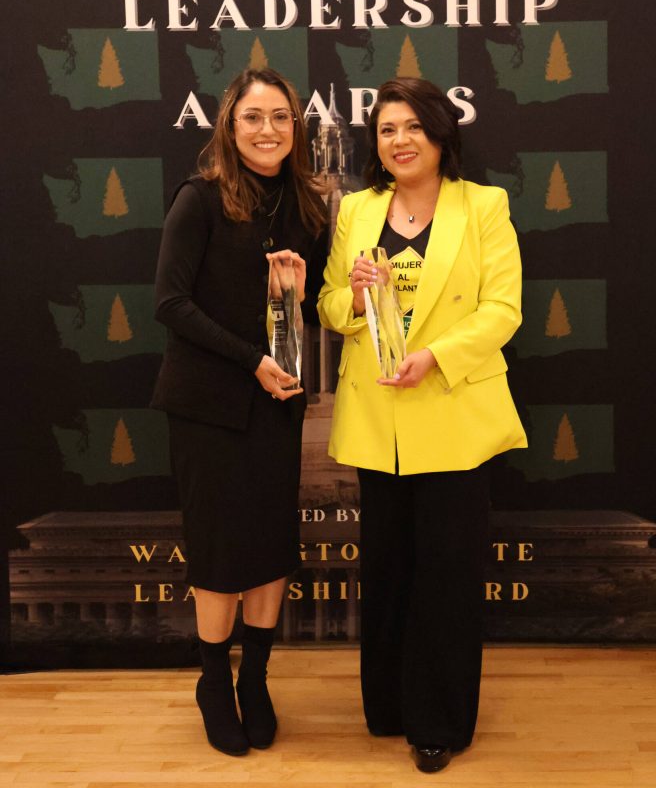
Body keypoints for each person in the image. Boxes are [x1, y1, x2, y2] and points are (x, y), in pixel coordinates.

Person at [317, 77, 527, 774]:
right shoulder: (357, 210)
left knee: (446, 572)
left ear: (440, 135)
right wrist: (349, 296)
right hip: (379, 415)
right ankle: (388, 706)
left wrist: (434, 356)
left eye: (411, 127)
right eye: (385, 129)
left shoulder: (483, 206)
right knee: (388, 568)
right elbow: (327, 309)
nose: (398, 140)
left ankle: (437, 721)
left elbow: (502, 311)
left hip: (454, 412)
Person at [151, 68, 327, 756]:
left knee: (270, 548)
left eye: (280, 117)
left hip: (275, 405)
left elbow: (298, 315)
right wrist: (252, 360)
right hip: (207, 407)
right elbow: (170, 304)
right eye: (253, 117)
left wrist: (298, 300)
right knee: (222, 554)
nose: (267, 130)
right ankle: (213, 684)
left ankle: (255, 679)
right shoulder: (198, 199)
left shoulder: (308, 207)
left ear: (296, 128)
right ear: (229, 125)